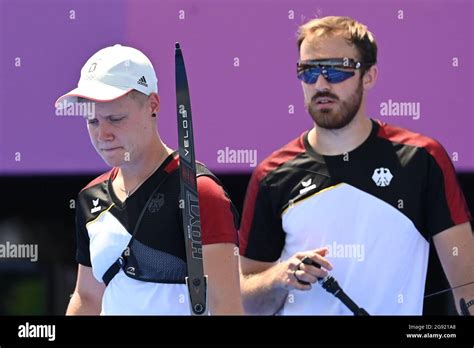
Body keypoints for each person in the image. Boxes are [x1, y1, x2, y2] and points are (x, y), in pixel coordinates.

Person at [239, 16, 473, 315]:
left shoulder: (422, 159)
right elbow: (246, 305)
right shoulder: (272, 174)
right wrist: (281, 276)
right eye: (308, 71)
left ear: (369, 76)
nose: (321, 83)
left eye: (336, 69)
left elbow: (468, 286)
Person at [55, 44, 243, 315]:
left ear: (153, 105)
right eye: (92, 122)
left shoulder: (199, 192)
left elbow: (227, 308)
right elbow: (87, 298)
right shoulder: (90, 198)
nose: (102, 134)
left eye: (115, 118)